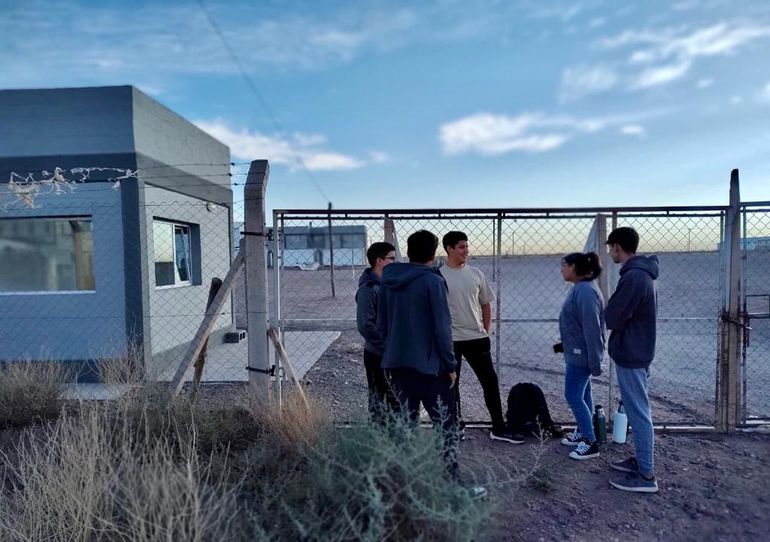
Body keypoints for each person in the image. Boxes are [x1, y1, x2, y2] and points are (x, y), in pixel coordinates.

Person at [377, 230, 460, 475]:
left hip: (397, 365)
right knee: (445, 424)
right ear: (434, 254)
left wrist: (391, 352)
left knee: (405, 423)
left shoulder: (388, 281)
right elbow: (442, 328)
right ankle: (450, 480)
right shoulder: (433, 281)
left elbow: (382, 325)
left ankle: (403, 481)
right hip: (430, 368)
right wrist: (450, 365)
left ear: (409, 250)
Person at [440, 231, 523, 444]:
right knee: (451, 385)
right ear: (449, 248)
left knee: (490, 382)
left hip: (476, 338)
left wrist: (485, 329)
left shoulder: (476, 274)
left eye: (467, 246)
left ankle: (498, 427)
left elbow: (486, 304)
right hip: (450, 340)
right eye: (461, 247)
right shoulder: (438, 276)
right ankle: (454, 426)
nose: (466, 250)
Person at [605, 227, 660, 493]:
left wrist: (615, 316)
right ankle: (640, 462)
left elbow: (612, 317)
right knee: (636, 410)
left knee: (638, 413)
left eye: (610, 248)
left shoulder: (634, 277)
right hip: (636, 350)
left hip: (632, 353)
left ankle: (646, 476)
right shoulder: (640, 274)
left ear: (617, 247)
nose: (609, 252)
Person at [557, 252, 605, 460]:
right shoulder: (580, 289)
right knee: (583, 395)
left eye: (564, 265)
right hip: (575, 352)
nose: (562, 269)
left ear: (575, 268)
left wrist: (595, 361)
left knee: (573, 396)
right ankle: (583, 432)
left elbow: (592, 330)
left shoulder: (585, 291)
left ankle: (590, 441)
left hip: (581, 355)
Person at [355, 241, 397, 421]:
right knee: (378, 397)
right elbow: (365, 324)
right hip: (377, 354)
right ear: (379, 260)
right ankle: (378, 436)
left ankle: (395, 435)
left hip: (393, 352)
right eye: (392, 258)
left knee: (396, 396)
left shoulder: (389, 284)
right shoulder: (368, 290)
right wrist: (386, 345)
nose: (395, 262)